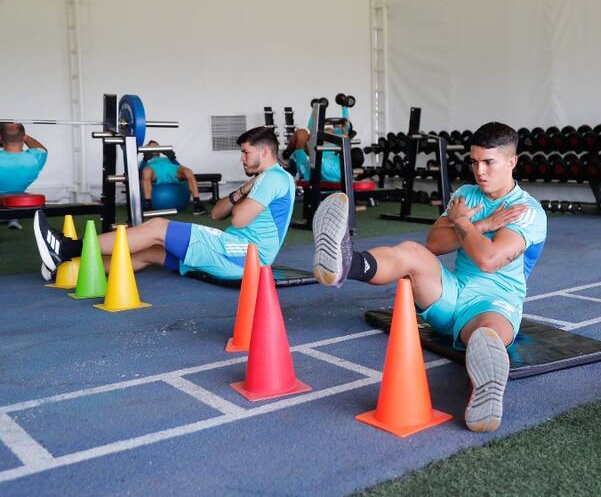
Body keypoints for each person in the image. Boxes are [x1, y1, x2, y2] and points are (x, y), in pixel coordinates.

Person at [311, 122, 547, 432]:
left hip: (494, 305)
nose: (480, 171)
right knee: (411, 252)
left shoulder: (526, 211)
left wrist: (463, 222)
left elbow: (488, 259)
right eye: (474, 162)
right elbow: (434, 243)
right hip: (450, 294)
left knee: (485, 337)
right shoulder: (466, 194)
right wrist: (484, 225)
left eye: (488, 162)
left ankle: (483, 393)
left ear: (512, 161)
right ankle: (345, 263)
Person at [33, 127, 294, 280]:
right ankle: (68, 268)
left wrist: (250, 191)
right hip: (236, 253)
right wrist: (242, 190)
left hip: (245, 256)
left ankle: (66, 249)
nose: (242, 158)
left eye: (246, 153)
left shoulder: (273, 179)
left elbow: (238, 220)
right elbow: (216, 214)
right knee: (150, 253)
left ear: (264, 152)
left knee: (157, 227)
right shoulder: (263, 179)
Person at [0, 123, 48, 230]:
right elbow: (42, 149)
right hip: (16, 197)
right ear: (23, 137)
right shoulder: (35, 158)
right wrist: (25, 137)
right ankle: (12, 216)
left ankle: (9, 216)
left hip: (7, 199)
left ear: (1, 138)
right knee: (13, 197)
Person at [140, 140, 207, 216]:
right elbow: (140, 172)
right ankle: (148, 205)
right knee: (146, 171)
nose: (155, 149)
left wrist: (172, 158)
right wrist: (145, 159)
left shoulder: (166, 159)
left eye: (156, 146)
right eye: (152, 147)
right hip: (155, 173)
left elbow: (179, 166)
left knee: (188, 171)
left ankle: (197, 204)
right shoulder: (146, 162)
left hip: (171, 171)